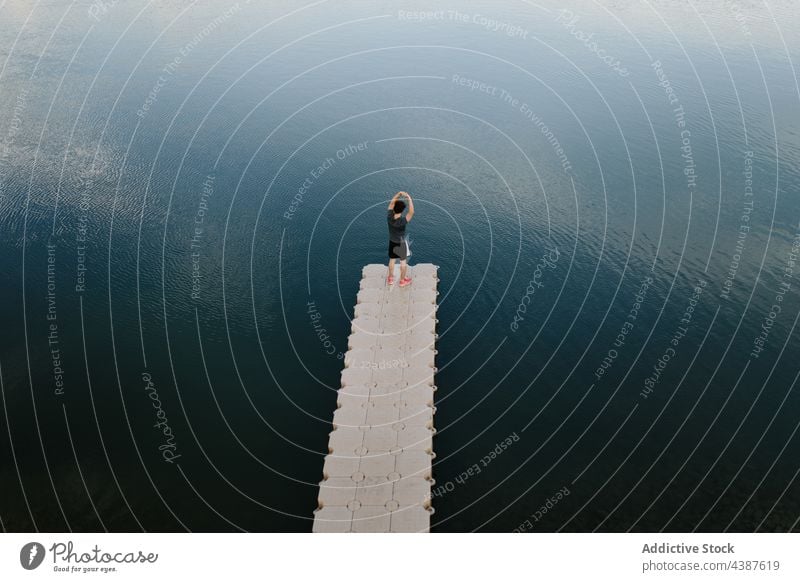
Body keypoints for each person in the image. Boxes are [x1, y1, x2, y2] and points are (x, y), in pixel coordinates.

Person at [386, 191, 414, 287]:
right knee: (403, 262)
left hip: (392, 241)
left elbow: (392, 202)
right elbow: (411, 212)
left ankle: (390, 278)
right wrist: (409, 198)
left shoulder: (389, 216)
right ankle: (402, 281)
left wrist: (399, 194)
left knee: (392, 260)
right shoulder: (403, 221)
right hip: (401, 243)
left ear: (393, 208)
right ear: (402, 210)